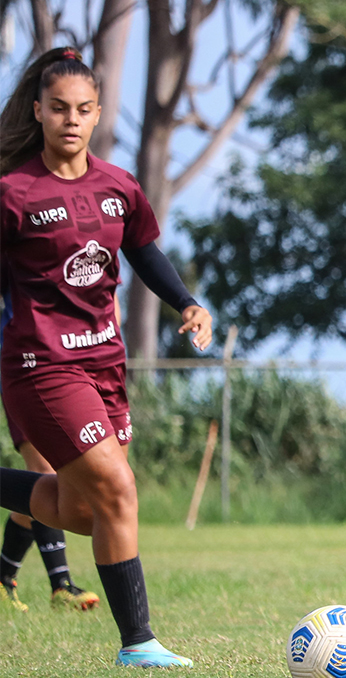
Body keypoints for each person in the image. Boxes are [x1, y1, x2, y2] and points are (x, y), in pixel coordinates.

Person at [0, 47, 212, 668]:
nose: (71, 119)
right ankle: (138, 643)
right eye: (58, 108)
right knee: (119, 491)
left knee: (84, 510)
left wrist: (187, 303)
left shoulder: (119, 187)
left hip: (105, 365)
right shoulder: (12, 194)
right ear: (37, 111)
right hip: (40, 366)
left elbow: (145, 252)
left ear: (97, 115)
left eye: (84, 109)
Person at [0, 291, 114, 612]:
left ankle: (4, 576)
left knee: (43, 492)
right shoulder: (20, 246)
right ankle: (60, 585)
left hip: (70, 369)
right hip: (27, 367)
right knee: (45, 474)